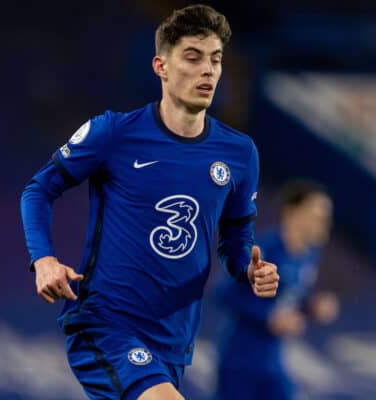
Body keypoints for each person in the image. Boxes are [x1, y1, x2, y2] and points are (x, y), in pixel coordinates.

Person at [20, 4, 279, 400]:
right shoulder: (114, 133)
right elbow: (38, 190)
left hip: (174, 341)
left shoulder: (240, 153)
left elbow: (235, 239)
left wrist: (249, 271)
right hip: (106, 324)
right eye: (193, 57)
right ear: (161, 66)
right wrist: (44, 260)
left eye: (216, 59)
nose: (208, 70)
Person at [215, 180, 338, 400]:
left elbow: (287, 297)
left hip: (273, 362)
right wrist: (267, 317)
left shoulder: (309, 254)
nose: (324, 224)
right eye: (317, 216)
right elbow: (224, 291)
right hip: (242, 362)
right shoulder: (264, 250)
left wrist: (311, 306)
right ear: (293, 213)